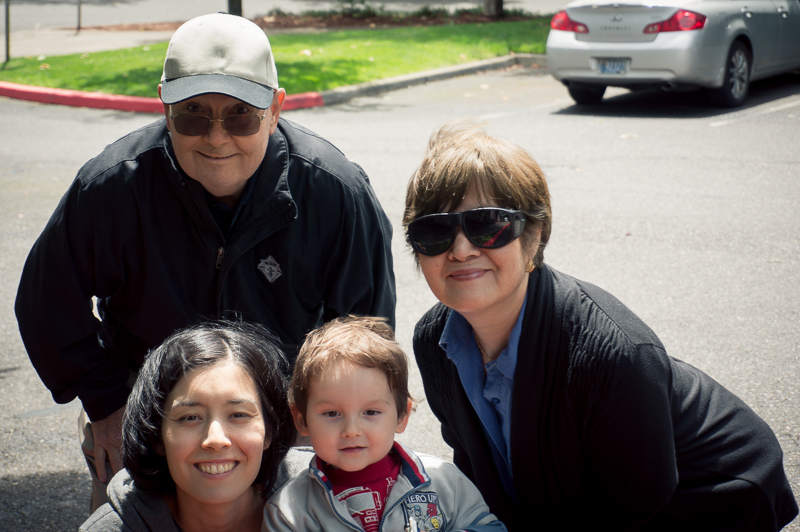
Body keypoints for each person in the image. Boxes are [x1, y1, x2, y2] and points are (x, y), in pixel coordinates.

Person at [14, 12, 395, 511]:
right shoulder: (109, 187)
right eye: (193, 112)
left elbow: (365, 335)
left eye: (241, 114)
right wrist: (107, 404)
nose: (216, 137)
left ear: (275, 109)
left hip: (286, 412)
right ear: (164, 105)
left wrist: (323, 424)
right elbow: (46, 303)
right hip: (143, 404)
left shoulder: (337, 193)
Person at [402, 123, 799, 531]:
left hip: (707, 495)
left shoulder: (613, 352)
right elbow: (476, 468)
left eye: (488, 224)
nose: (462, 249)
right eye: (435, 231)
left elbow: (632, 508)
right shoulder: (433, 342)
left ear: (535, 236)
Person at [262, 315, 507, 532]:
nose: (351, 431)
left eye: (370, 412)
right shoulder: (289, 511)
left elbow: (488, 526)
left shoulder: (444, 481)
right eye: (332, 414)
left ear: (402, 415)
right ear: (301, 420)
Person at [80, 320, 310, 532]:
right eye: (190, 417)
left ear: (270, 430)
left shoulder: (333, 500)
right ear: (156, 436)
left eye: (238, 414)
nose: (216, 439)